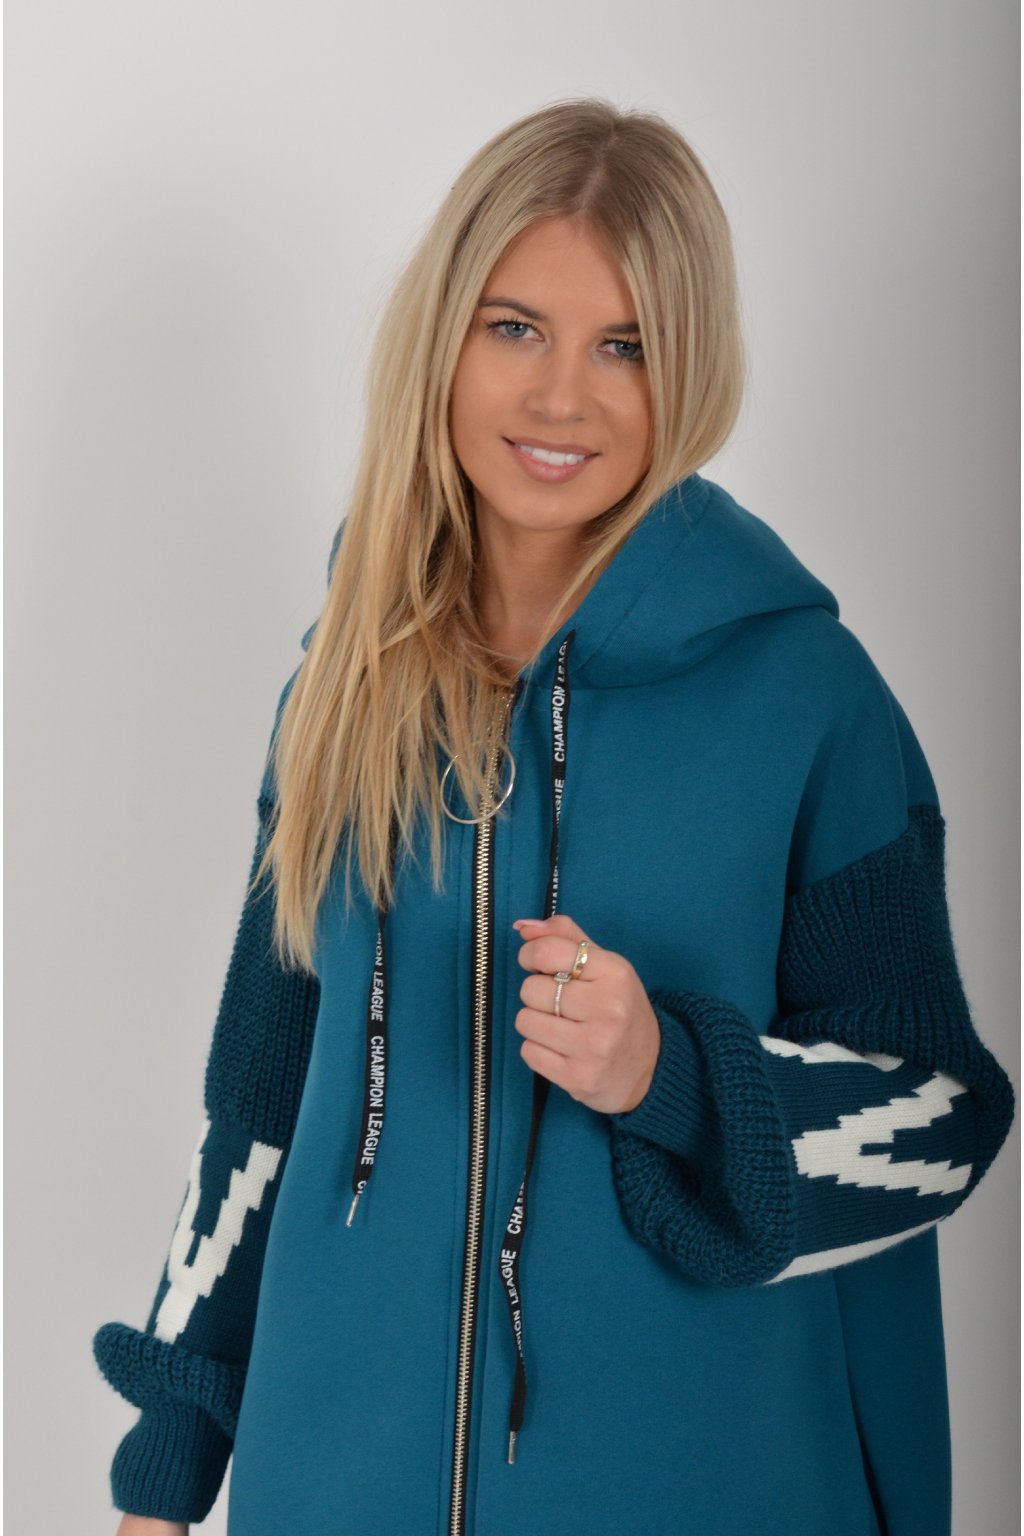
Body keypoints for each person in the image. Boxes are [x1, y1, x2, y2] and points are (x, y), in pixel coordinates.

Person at [92, 98, 1015, 1536]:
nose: (561, 396)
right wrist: (169, 1460)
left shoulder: (807, 701)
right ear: (444, 338)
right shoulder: (348, 687)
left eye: (625, 345)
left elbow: (941, 1120)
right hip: (335, 1487)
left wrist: (670, 1073)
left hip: (700, 1490)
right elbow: (259, 1109)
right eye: (516, 328)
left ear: (688, 368)